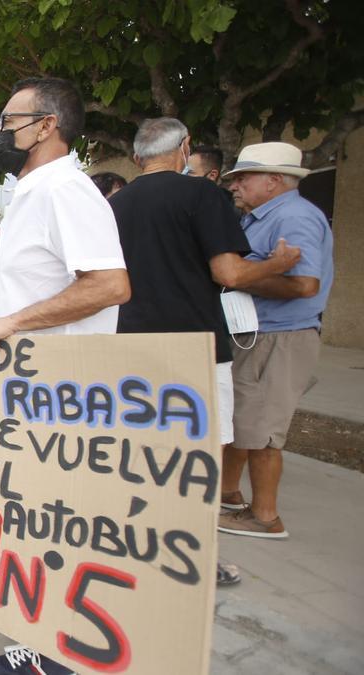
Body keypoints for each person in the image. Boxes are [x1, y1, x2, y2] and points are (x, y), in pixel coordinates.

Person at [0, 77, 130, 675]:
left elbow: (109, 284)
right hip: (29, 389)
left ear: (47, 126)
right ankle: (42, 639)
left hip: (61, 393)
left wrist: (10, 322)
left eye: (10, 120)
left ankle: (60, 654)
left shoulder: (66, 190)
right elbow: (36, 288)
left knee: (57, 518)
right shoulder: (34, 194)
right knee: (31, 515)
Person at [110, 118, 302, 586]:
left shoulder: (114, 205)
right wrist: (278, 265)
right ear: (185, 148)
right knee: (199, 454)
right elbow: (230, 274)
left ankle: (133, 546)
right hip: (194, 347)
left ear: (137, 158)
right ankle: (191, 557)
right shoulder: (203, 196)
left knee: (137, 452)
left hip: (126, 346)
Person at [219, 142, 334, 540]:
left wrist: (239, 277)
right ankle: (228, 494)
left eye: (243, 177)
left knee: (265, 430)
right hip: (258, 333)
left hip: (280, 335)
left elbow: (304, 283)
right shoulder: (259, 216)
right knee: (242, 421)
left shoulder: (295, 217)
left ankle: (265, 516)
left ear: (274, 180)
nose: (235, 184)